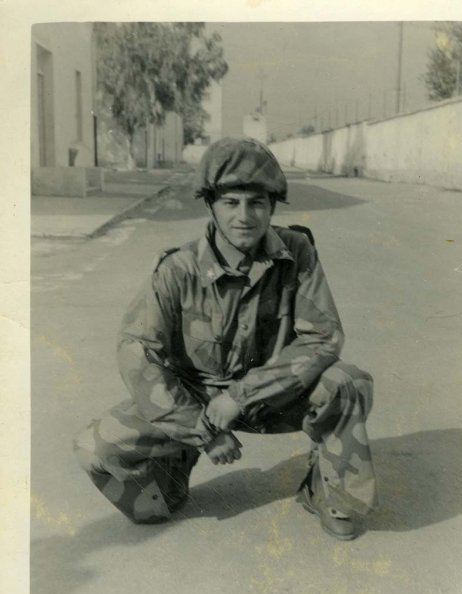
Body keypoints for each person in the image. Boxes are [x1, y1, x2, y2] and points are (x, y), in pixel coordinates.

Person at [74, 137, 377, 540]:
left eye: (257, 203)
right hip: (196, 401)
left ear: (272, 206)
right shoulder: (178, 269)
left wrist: (240, 396)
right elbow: (139, 354)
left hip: (271, 396)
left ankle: (329, 492)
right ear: (211, 206)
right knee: (95, 449)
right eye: (231, 202)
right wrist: (201, 430)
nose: (244, 216)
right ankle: (172, 475)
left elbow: (323, 336)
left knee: (347, 384)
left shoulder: (296, 251)